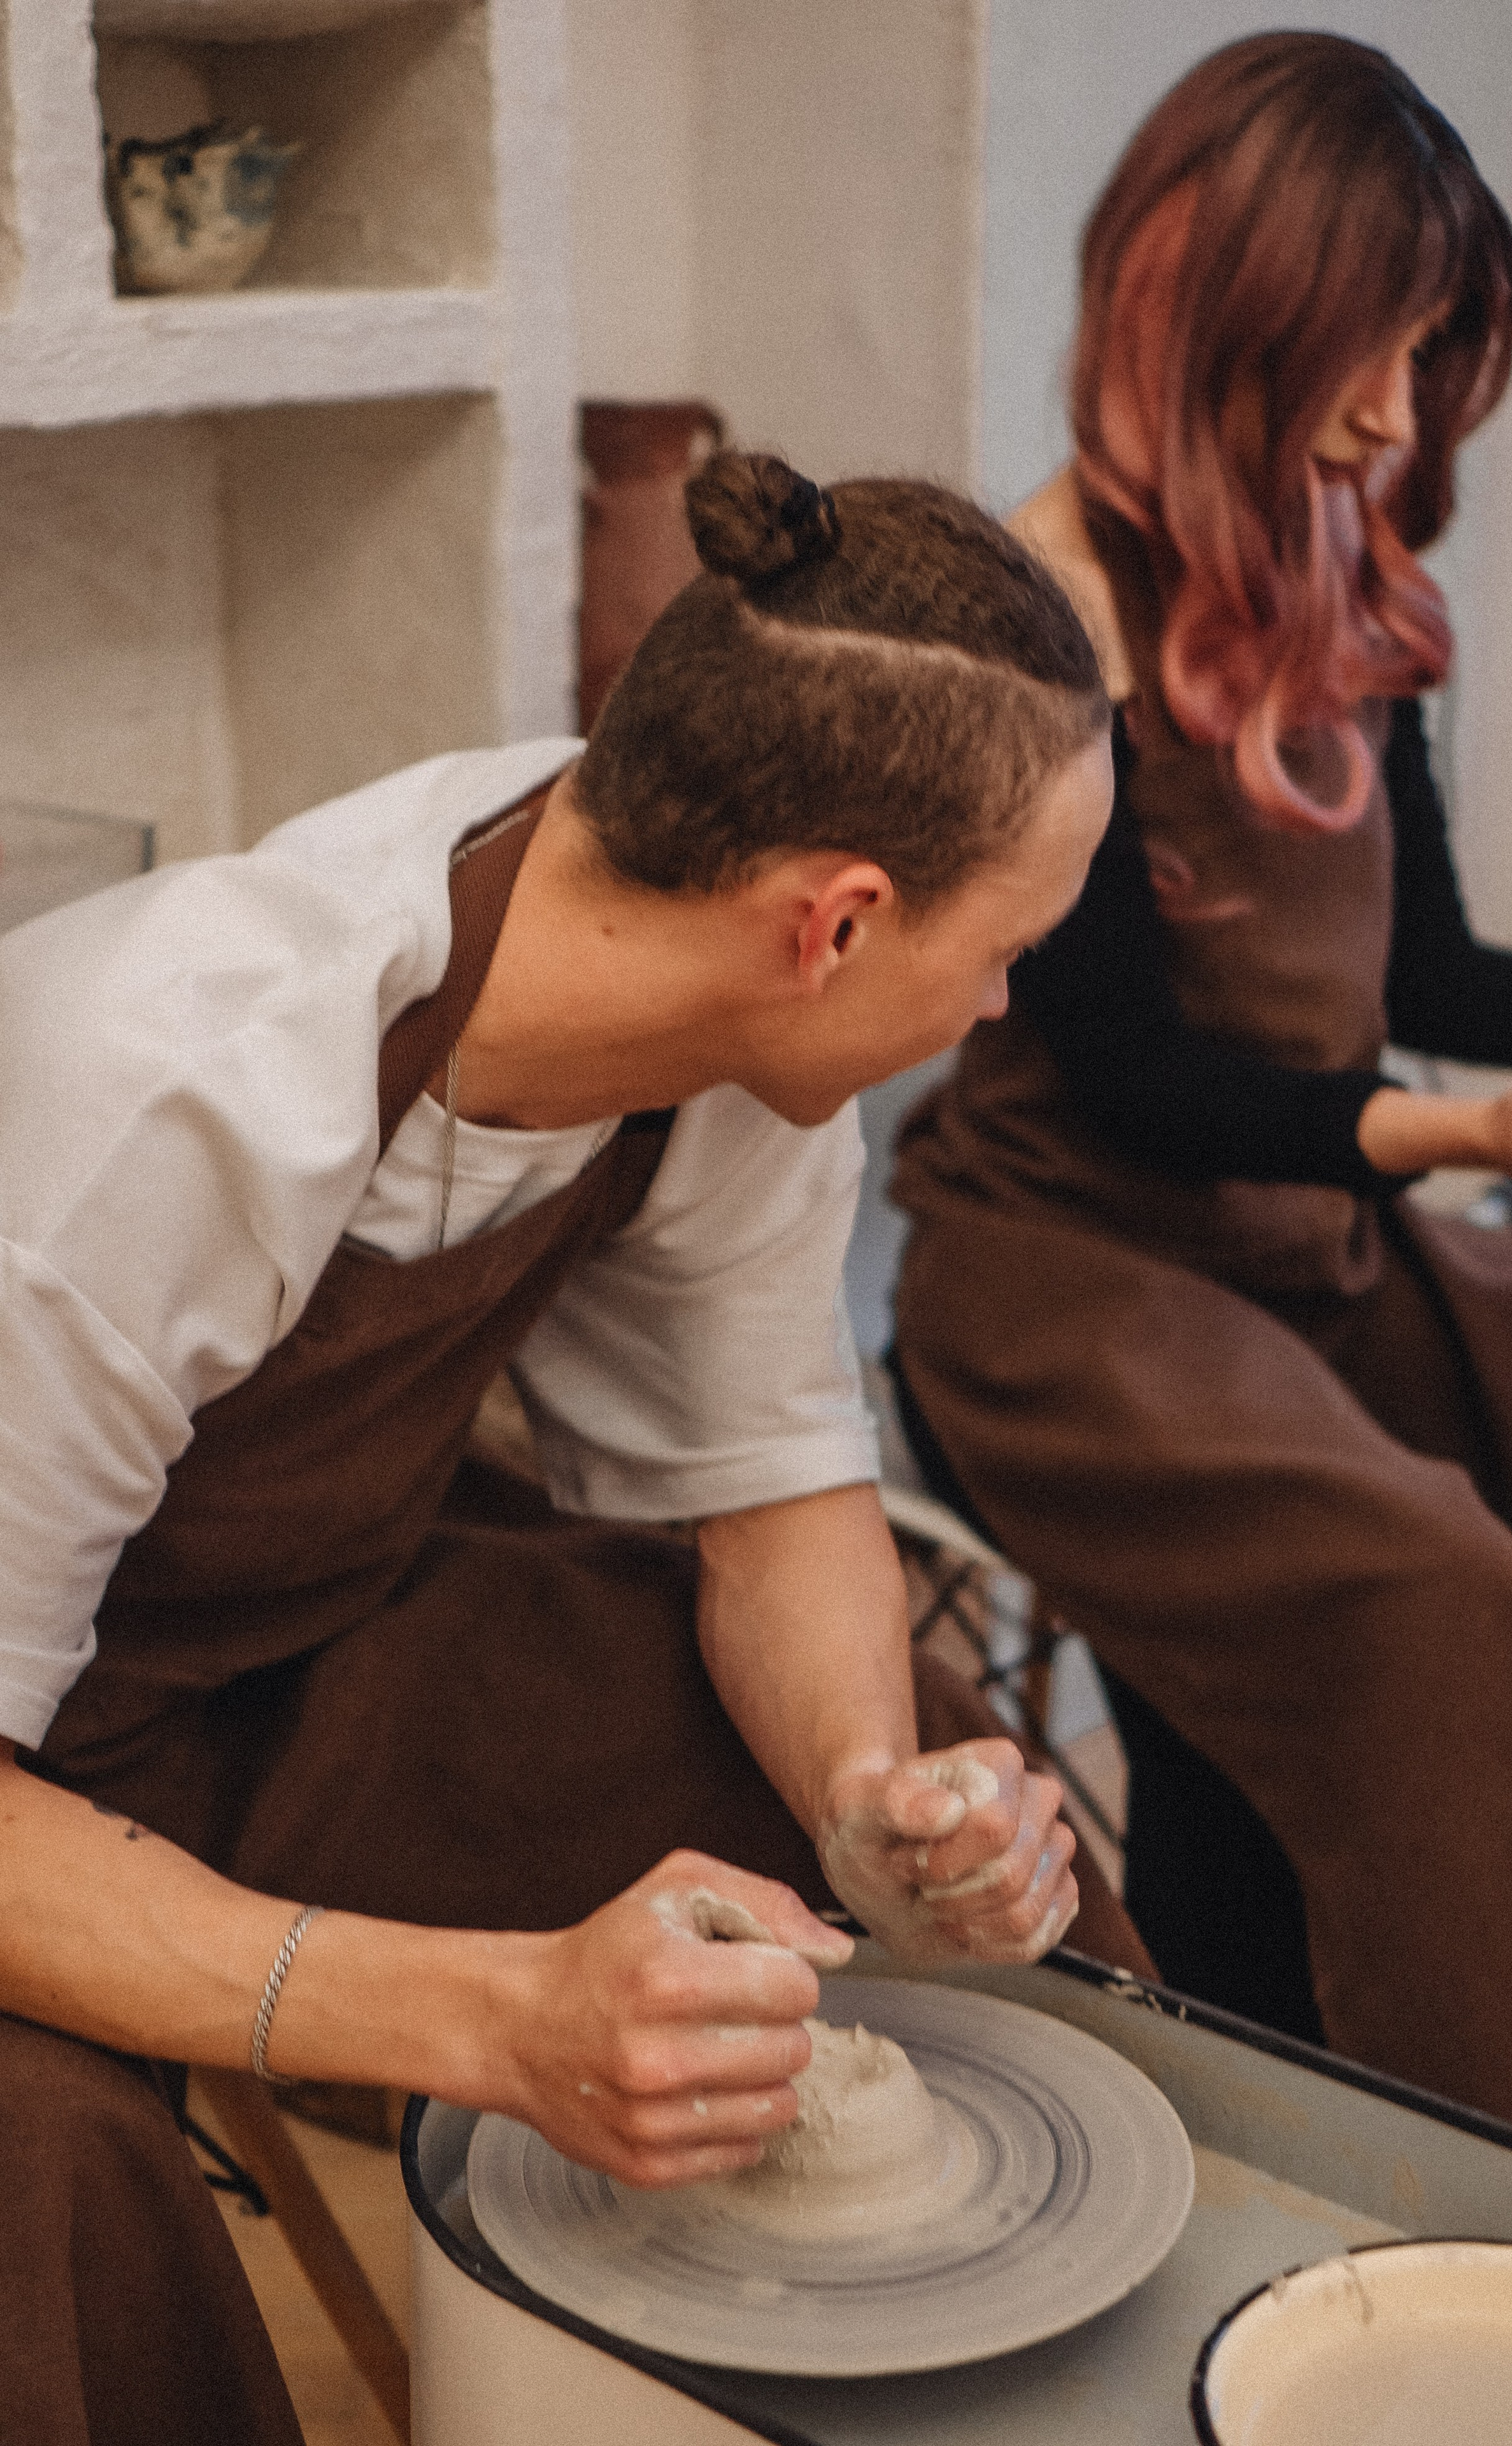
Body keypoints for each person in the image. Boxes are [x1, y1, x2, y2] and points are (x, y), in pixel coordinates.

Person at [0, 452, 1134, 2443]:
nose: (1000, 1003)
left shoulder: (714, 1015)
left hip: (278, 1651)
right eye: (1005, 950)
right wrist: (486, 2020)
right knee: (43, 2181)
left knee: (873, 1788)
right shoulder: (167, 1096)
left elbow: (776, 1496)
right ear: (838, 924)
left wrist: (875, 1802)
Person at [889, 32, 1512, 2165]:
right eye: (1371, 356)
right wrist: (1453, 1136)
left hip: (1304, 1236)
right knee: (1435, 1600)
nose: (1401, 419)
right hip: (1065, 1279)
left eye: (1428, 360)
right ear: (1224, 315)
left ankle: (1494, 2032)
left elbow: (1424, 979)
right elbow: (1141, 1080)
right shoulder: (1042, 615)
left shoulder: (1338, 563)